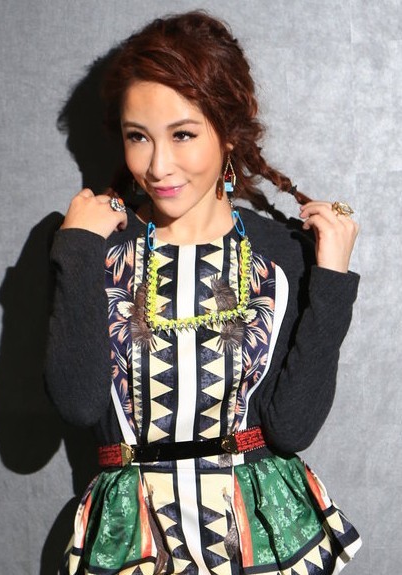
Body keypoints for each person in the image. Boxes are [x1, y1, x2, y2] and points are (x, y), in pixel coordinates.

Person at [45, 11, 362, 575]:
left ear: (229, 132)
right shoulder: (97, 248)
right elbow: (79, 404)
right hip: (136, 541)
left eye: (183, 134)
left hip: (258, 539)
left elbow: (292, 428)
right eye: (138, 137)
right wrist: (76, 250)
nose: (157, 166)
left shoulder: (282, 255)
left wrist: (332, 278)